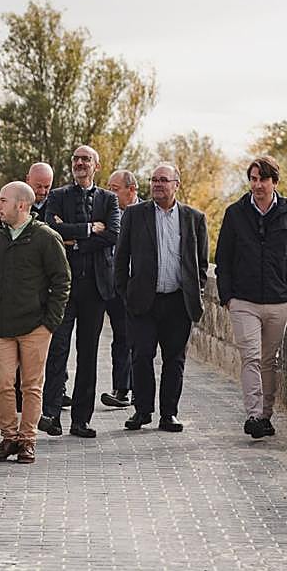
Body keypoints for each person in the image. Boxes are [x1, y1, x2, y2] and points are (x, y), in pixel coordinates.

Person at [215, 155, 287, 439]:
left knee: (269, 361)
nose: (257, 185)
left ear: (274, 182)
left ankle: (266, 416)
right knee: (251, 358)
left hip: (280, 302)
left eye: (263, 179)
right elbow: (223, 259)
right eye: (253, 179)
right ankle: (254, 415)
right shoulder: (235, 213)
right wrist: (228, 297)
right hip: (244, 301)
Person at [0, 182, 70, 464]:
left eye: (3, 201)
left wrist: (50, 322)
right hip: (0, 326)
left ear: (21, 205)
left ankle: (27, 441)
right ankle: (9, 438)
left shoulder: (46, 237)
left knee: (31, 386)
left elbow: (62, 281)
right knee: (3, 385)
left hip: (35, 327)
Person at [114, 163, 209, 432]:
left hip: (178, 302)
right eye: (154, 179)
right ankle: (142, 411)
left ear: (176, 184)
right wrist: (126, 293)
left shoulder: (194, 218)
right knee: (141, 355)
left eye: (163, 180)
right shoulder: (135, 215)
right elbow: (121, 258)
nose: (157, 184)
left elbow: (201, 264)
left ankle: (169, 414)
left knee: (174, 360)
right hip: (144, 301)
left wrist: (196, 292)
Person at [40, 146, 120, 438]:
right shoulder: (57, 196)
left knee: (88, 354)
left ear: (96, 165)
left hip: (96, 288)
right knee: (57, 350)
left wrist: (74, 240)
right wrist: (88, 229)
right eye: (76, 158)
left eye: (86, 159)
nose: (80, 163)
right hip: (63, 287)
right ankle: (50, 414)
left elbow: (112, 234)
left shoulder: (109, 199)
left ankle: (81, 420)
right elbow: (50, 229)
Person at [101, 169, 140, 410]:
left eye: (114, 189)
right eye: (108, 188)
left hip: (138, 286)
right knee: (120, 338)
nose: (110, 194)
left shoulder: (146, 213)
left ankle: (135, 390)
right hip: (113, 285)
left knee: (138, 339)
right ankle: (121, 389)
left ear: (131, 190)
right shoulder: (107, 212)